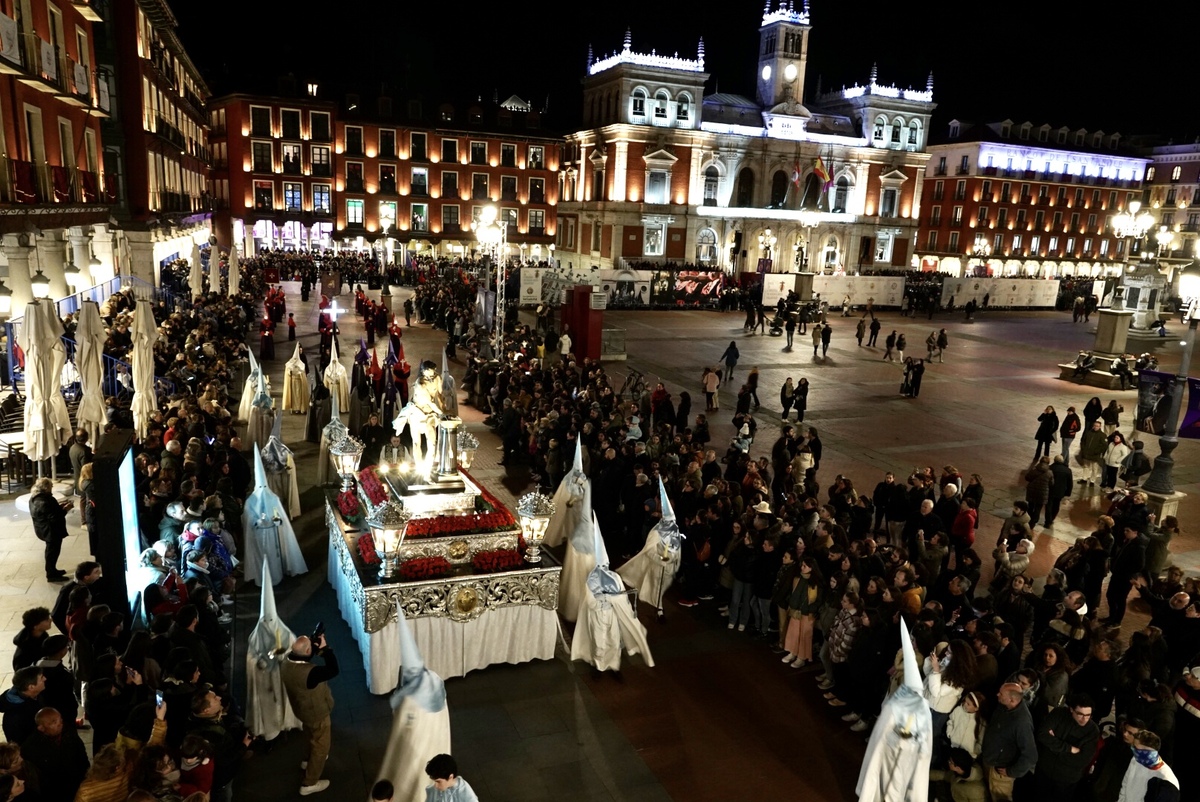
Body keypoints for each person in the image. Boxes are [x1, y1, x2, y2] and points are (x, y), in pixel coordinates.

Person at [280, 634, 339, 796]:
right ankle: (309, 783)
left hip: (301, 709)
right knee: (321, 746)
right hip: (317, 713)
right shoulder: (310, 673)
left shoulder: (286, 661)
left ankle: (307, 760)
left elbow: (303, 654)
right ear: (307, 651)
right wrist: (325, 650)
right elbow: (334, 669)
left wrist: (311, 646)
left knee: (310, 734)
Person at [1033, 693, 1099, 800]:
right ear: (1071, 709)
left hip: (1066, 780)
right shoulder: (1059, 714)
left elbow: (1081, 761)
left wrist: (1053, 745)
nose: (1084, 719)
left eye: (1088, 715)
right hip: (1044, 770)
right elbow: (1041, 734)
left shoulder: (1092, 731)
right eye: (1080, 714)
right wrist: (1069, 749)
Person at [978, 682, 1036, 802]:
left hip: (1001, 774)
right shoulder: (1003, 706)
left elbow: (1031, 755)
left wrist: (1011, 771)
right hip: (989, 763)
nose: (997, 694)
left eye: (1001, 693)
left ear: (1012, 700)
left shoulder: (1021, 723)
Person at [20, 707, 90, 802]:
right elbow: (35, 777)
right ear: (41, 728)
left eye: (60, 720)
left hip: (75, 783)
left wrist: (85, 775)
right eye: (53, 722)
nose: (59, 724)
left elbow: (81, 755)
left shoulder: (69, 731)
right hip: (53, 792)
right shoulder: (30, 747)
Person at [29, 477, 73, 582]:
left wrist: (59, 507)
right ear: (46, 487)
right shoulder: (45, 501)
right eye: (51, 486)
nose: (52, 487)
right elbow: (54, 517)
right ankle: (51, 574)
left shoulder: (35, 498)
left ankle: (52, 569)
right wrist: (66, 509)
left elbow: (48, 512)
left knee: (51, 551)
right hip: (51, 531)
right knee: (52, 552)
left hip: (43, 529)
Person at [1117, 729, 1179, 801]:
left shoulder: (1166, 779)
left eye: (1136, 748)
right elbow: (1125, 784)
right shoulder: (1136, 759)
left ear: (1148, 752)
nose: (1133, 749)